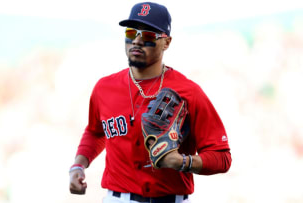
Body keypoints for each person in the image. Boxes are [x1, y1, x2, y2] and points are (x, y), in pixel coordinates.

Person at [69, 2, 232, 203]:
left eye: (147, 35)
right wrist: (78, 165)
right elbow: (95, 131)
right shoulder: (104, 88)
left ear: (166, 42)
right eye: (131, 32)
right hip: (117, 198)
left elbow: (222, 157)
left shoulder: (189, 92)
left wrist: (183, 162)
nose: (136, 41)